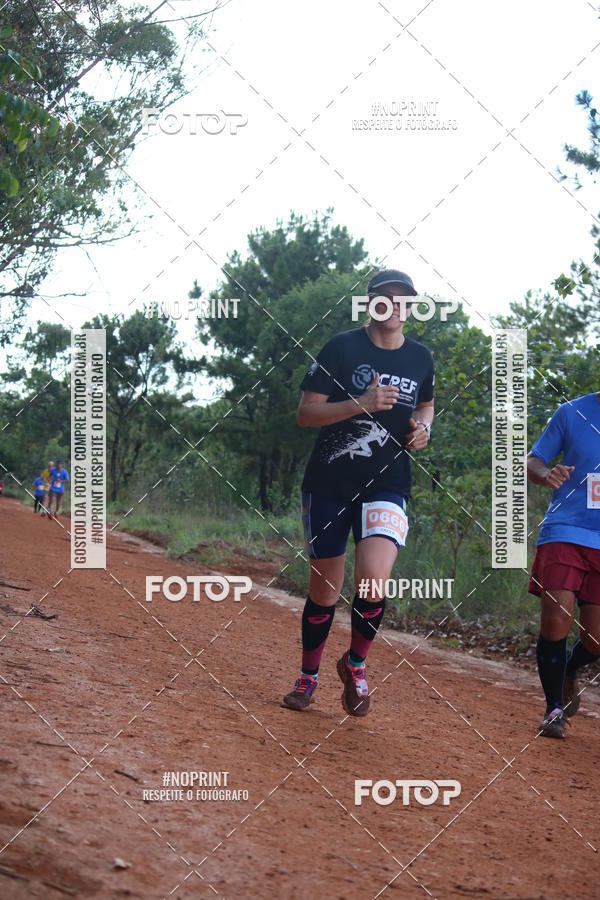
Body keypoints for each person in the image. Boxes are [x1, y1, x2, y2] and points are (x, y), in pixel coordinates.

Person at [282, 269, 435, 716]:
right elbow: (306, 414)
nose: (392, 305)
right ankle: (308, 677)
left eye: (401, 299)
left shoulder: (421, 358)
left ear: (411, 307)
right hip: (329, 484)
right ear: (369, 303)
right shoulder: (341, 348)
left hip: (388, 484)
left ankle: (355, 666)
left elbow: (426, 403)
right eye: (383, 298)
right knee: (326, 591)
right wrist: (360, 404)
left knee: (372, 581)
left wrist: (424, 428)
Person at [527, 389, 600, 738]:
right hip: (566, 530)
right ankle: (553, 708)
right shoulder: (571, 413)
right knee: (557, 618)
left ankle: (570, 669)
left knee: (596, 639)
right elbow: (533, 461)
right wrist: (546, 475)